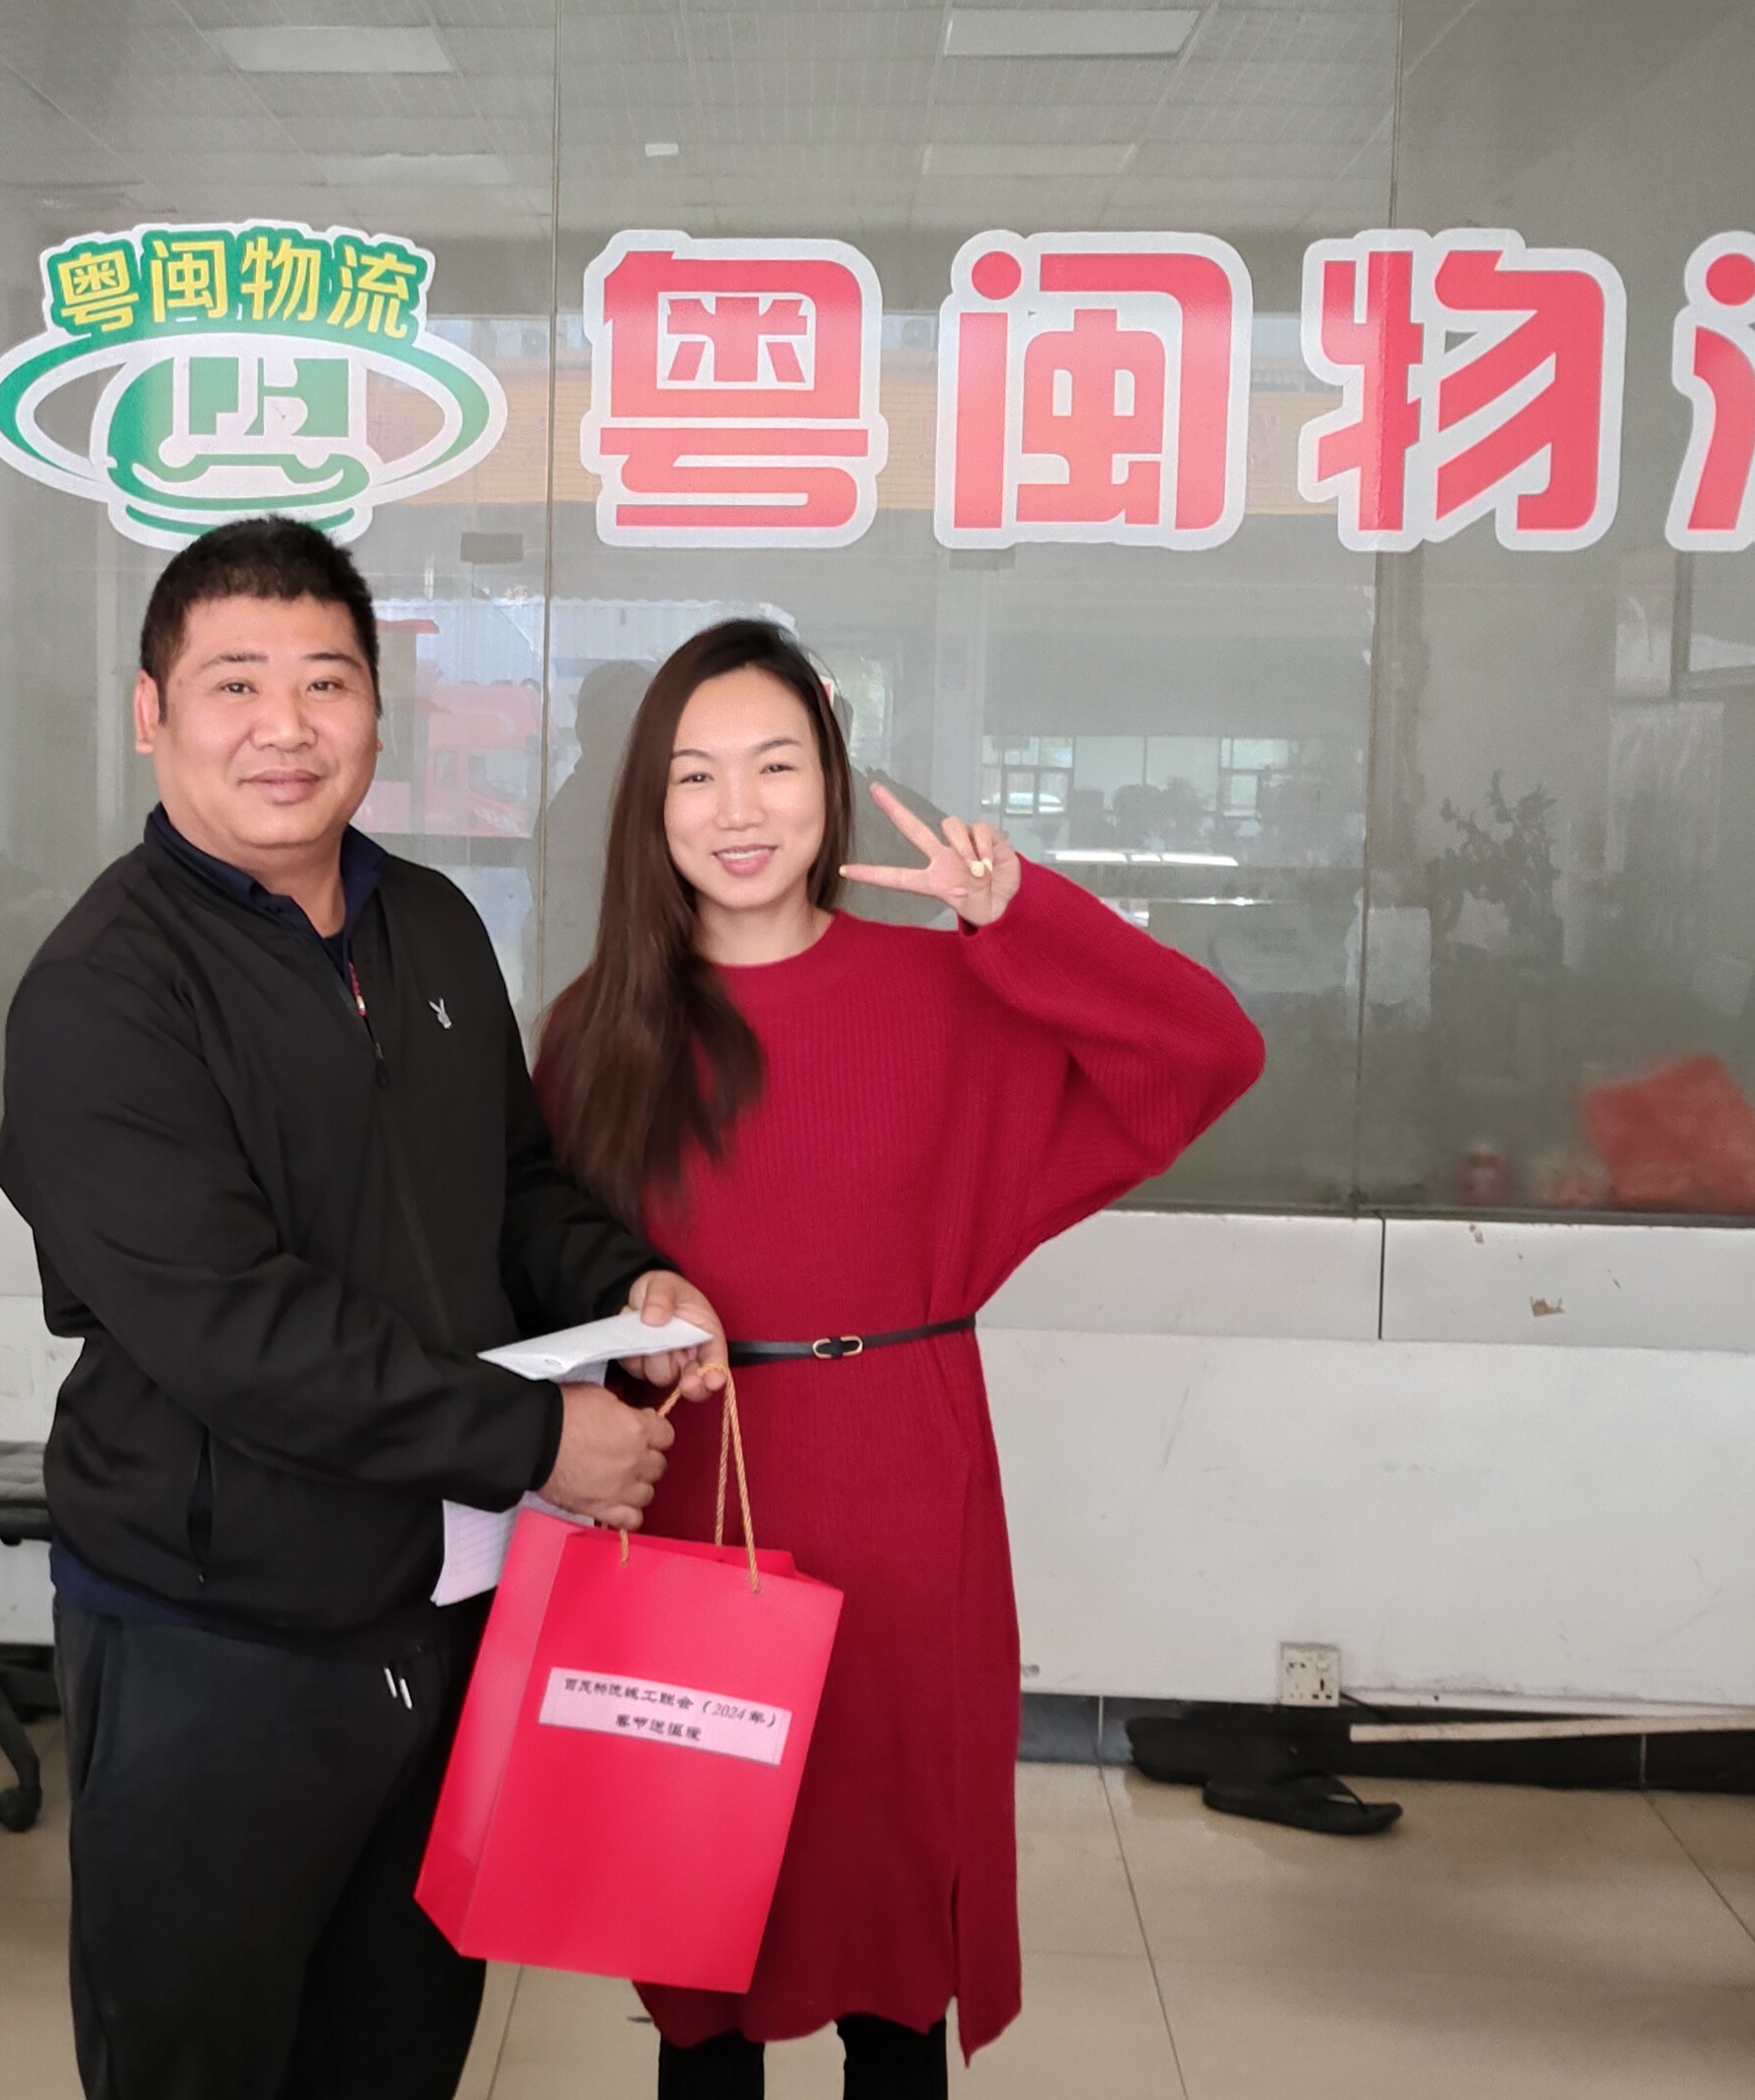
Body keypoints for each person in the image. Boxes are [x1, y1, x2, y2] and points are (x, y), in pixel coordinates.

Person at [0, 516, 730, 2100]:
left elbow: (505, 1186)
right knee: (202, 2064)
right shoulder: (105, 990)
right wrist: (535, 1439)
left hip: (440, 1614)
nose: (286, 725)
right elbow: (232, 1330)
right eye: (235, 681)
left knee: (397, 2048)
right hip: (214, 1634)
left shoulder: (432, 927)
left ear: (377, 714)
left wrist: (620, 1278)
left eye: (325, 681)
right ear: (149, 713)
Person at [537, 620, 1265, 2098]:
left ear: (833, 781)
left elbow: (1206, 1054)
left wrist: (1021, 919)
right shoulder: (596, 1029)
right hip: (689, 1504)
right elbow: (540, 1260)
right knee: (701, 1961)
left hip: (908, 1508)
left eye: (775, 766)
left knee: (893, 1954)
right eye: (695, 775)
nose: (739, 811)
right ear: (648, 808)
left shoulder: (945, 995)